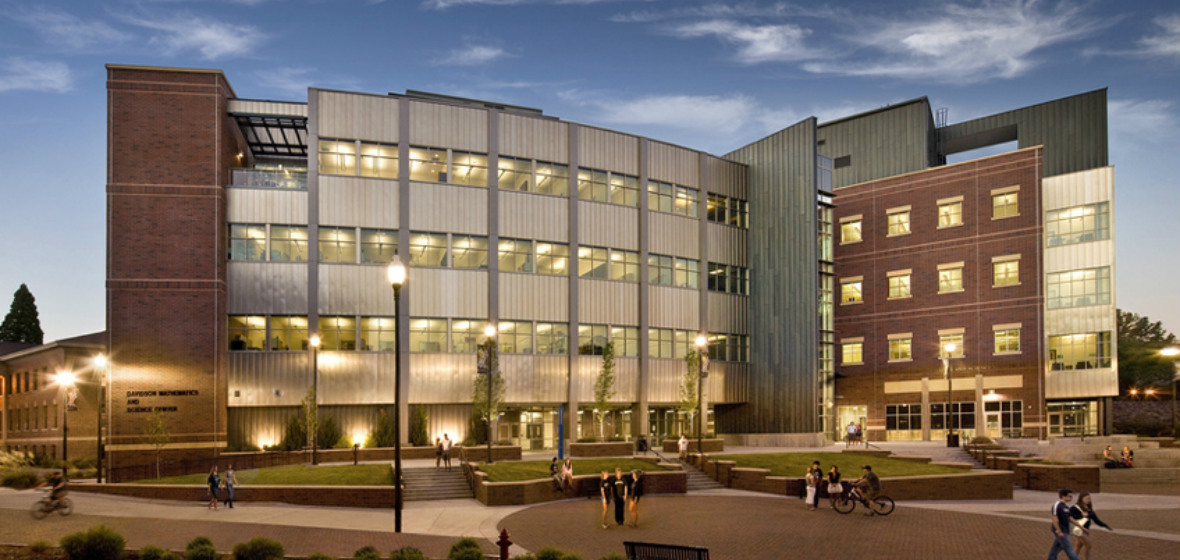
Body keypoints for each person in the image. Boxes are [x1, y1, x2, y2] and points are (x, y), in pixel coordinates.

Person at [1070, 492, 1113, 560]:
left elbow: (1096, 520)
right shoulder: (1075, 508)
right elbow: (1070, 517)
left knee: (1078, 546)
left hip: (1086, 530)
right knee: (1088, 545)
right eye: (1086, 498)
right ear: (1081, 499)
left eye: (1089, 498)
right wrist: (1081, 515)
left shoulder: (1089, 510)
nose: (1088, 500)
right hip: (1078, 529)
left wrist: (1105, 526)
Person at [1047, 488, 1082, 560]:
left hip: (1065, 530)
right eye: (1069, 496)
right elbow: (1055, 518)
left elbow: (1070, 518)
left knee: (1056, 547)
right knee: (1068, 548)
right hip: (1061, 530)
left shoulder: (1066, 507)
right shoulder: (1057, 505)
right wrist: (1058, 530)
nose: (1071, 498)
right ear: (1063, 496)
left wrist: (1079, 525)